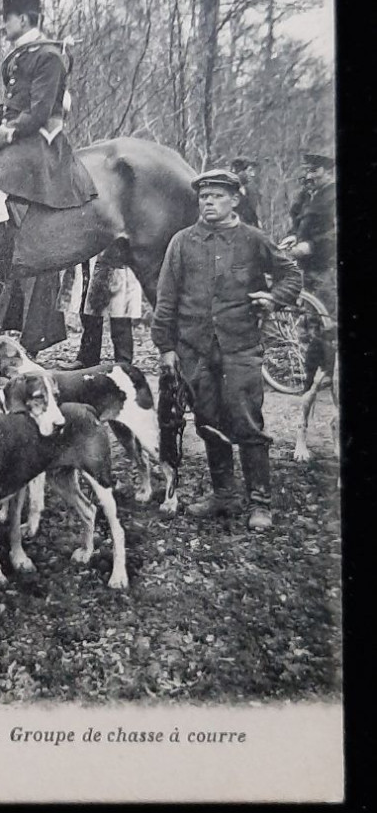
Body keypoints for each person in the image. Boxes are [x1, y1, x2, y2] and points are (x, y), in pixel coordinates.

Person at [151, 169, 302, 531]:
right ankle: (224, 495)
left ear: (235, 199)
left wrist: (273, 297)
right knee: (208, 422)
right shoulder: (183, 242)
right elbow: (166, 299)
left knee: (248, 423)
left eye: (217, 196)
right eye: (204, 196)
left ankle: (260, 503)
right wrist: (166, 349)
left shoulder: (253, 240)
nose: (209, 202)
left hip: (240, 348)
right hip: (195, 349)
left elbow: (291, 275)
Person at [0, 0, 97, 289]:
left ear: (23, 19)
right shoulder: (20, 56)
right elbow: (11, 105)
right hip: (20, 137)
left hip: (39, 142)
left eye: (6, 18)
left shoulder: (47, 56)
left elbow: (37, 113)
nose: (2, 24)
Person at [62, 240, 141, 369]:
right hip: (92, 249)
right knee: (89, 307)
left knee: (119, 310)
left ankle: (124, 362)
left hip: (117, 250)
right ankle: (87, 358)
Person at [284, 149, 336, 317]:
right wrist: (293, 236)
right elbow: (300, 223)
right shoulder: (311, 195)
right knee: (310, 314)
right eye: (307, 171)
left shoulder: (333, 196)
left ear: (328, 172)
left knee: (327, 315)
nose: (309, 176)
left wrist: (311, 246)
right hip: (309, 266)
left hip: (328, 267)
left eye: (314, 171)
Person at [231, 156, 261, 227]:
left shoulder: (249, 191)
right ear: (239, 172)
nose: (252, 175)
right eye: (249, 171)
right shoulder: (229, 193)